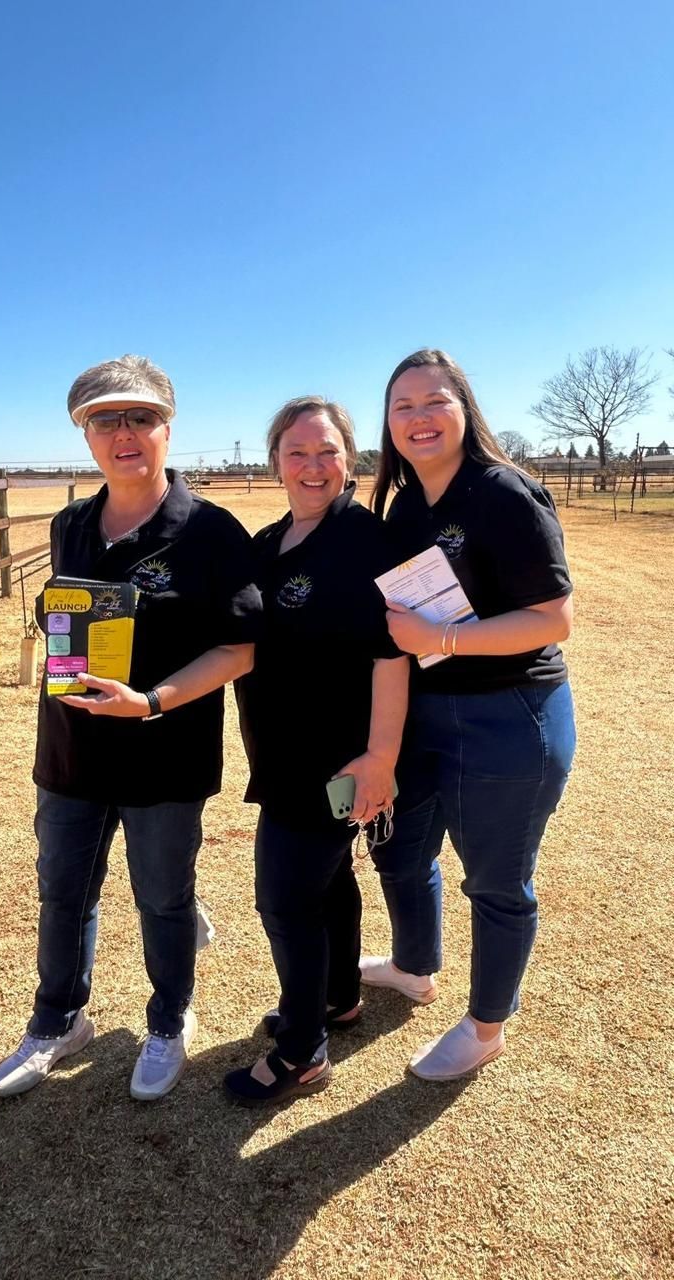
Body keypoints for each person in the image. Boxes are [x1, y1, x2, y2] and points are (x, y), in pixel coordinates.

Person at [0, 355, 261, 1101]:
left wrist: (151, 700)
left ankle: (169, 1020)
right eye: (105, 420)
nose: (124, 434)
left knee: (163, 896)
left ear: (168, 430)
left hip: (164, 754)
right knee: (63, 892)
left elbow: (239, 647)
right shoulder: (72, 522)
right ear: (86, 435)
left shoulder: (210, 531)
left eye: (140, 417)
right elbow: (65, 613)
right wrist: (57, 622)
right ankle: (57, 1020)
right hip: (71, 751)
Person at [360, 349, 576, 1081]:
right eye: (403, 407)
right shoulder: (405, 504)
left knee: (495, 880)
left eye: (434, 401)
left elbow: (553, 619)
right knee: (397, 846)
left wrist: (444, 639)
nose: (419, 418)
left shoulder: (505, 493)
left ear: (464, 408)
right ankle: (415, 967)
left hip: (509, 716)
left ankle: (487, 1026)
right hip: (426, 708)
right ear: (388, 425)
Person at [224, 397, 410, 1104]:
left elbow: (392, 655)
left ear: (350, 460)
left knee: (286, 897)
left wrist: (381, 758)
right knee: (329, 883)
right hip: (280, 753)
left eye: (326, 451)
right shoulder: (268, 544)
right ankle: (336, 1000)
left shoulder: (367, 542)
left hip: (337, 761)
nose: (311, 465)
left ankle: (302, 1052)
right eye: (297, 452)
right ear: (275, 461)